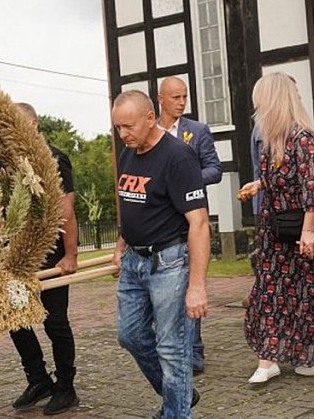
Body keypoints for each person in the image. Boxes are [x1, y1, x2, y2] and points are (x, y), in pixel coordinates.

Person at [111, 90, 209, 419]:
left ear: (150, 118)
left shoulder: (178, 156)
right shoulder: (128, 152)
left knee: (172, 348)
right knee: (129, 336)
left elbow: (199, 223)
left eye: (128, 126)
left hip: (170, 263)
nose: (123, 134)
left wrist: (197, 286)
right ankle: (179, 396)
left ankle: (176, 411)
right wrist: (120, 247)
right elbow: (132, 205)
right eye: (118, 127)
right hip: (133, 261)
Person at [239, 72, 314, 384]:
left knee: (309, 295)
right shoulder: (274, 139)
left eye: (260, 102)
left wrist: (308, 232)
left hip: (297, 231)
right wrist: (258, 184)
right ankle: (267, 360)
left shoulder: (303, 138)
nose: (257, 109)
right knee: (269, 291)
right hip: (274, 230)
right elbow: (281, 177)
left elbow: (312, 190)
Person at [9, 102, 79, 415]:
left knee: (55, 322)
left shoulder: (54, 158)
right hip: (20, 254)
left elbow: (67, 211)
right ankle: (38, 379)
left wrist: (71, 255)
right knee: (14, 318)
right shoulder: (9, 161)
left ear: (34, 124)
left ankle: (66, 387)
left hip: (52, 252)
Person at [157, 76, 222, 374]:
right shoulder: (151, 132)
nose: (182, 102)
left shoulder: (197, 131)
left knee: (189, 283)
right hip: (161, 220)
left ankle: (194, 352)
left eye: (184, 96)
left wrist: (186, 179)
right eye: (176, 97)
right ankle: (173, 348)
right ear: (160, 99)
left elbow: (215, 169)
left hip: (190, 219)